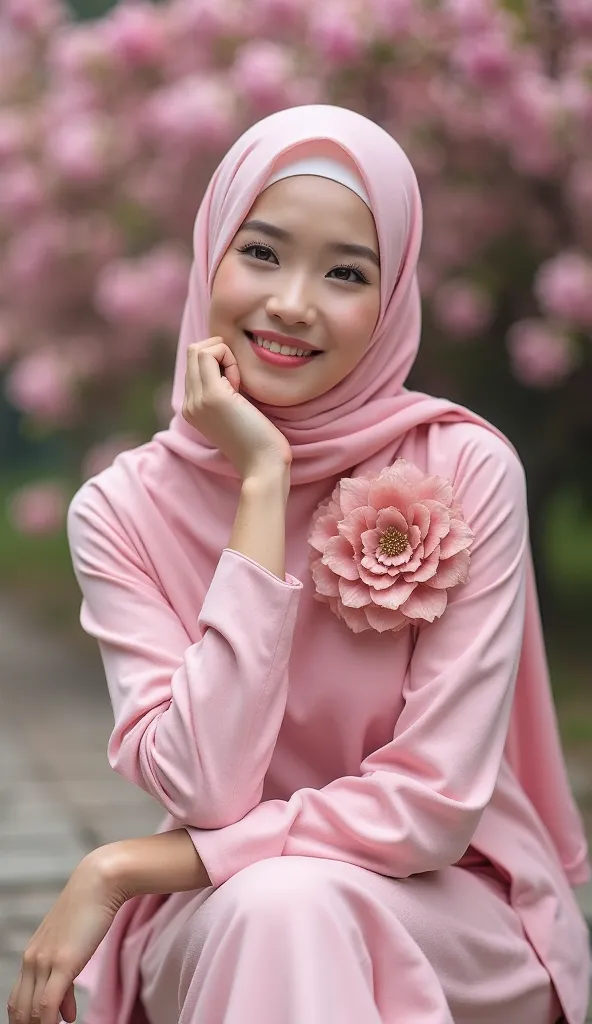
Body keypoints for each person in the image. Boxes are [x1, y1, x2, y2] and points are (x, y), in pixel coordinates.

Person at [8, 105, 591, 1024]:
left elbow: (430, 810)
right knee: (278, 910)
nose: (291, 302)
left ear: (393, 294)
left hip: (446, 910)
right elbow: (206, 784)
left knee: (289, 907)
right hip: (221, 918)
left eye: (346, 272)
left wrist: (127, 866)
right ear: (212, 259)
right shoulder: (120, 512)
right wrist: (264, 486)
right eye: (264, 253)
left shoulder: (466, 470)